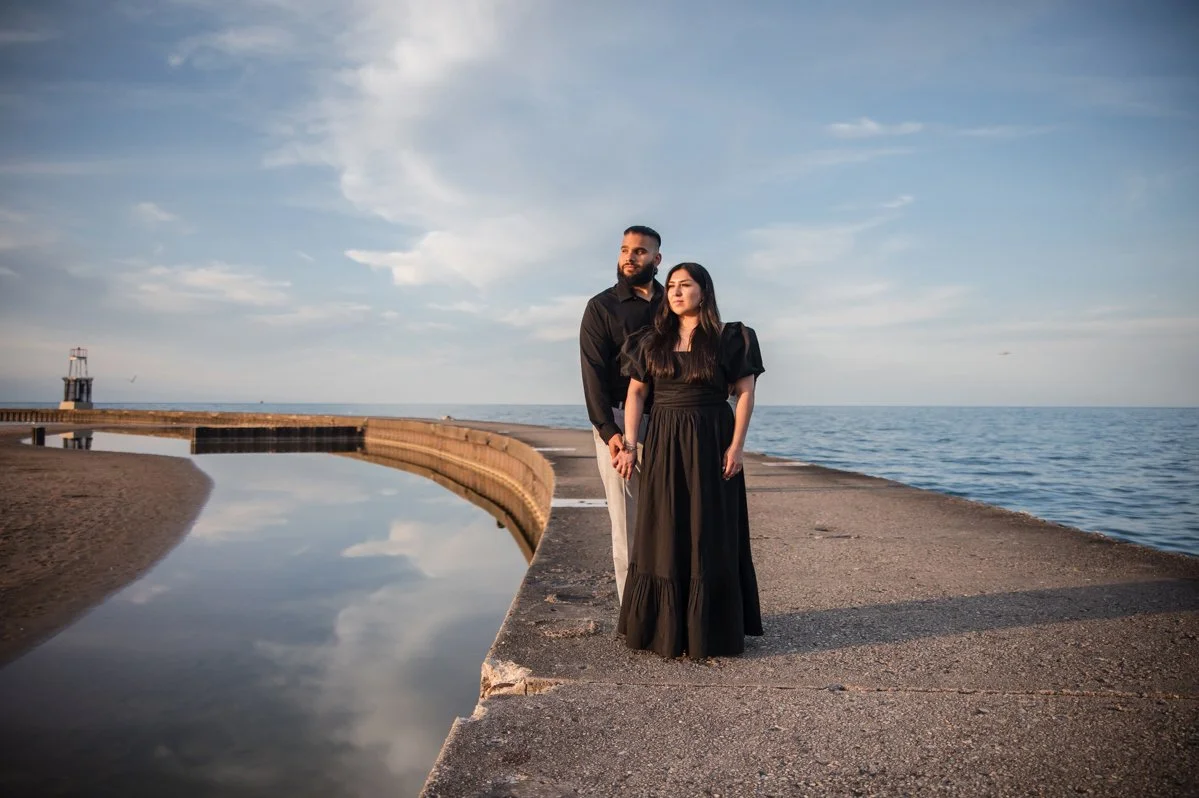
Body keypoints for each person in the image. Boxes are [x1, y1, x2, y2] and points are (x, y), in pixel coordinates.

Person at [613, 262, 764, 659]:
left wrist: (736, 446)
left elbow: (744, 393)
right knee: (664, 527)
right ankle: (662, 627)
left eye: (686, 285)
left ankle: (709, 629)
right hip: (663, 439)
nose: (677, 292)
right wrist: (630, 444)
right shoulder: (650, 340)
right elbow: (637, 395)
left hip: (712, 438)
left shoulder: (732, 337)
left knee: (708, 528)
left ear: (704, 291)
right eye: (673, 286)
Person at [579, 225, 664, 606]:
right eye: (625, 250)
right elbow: (592, 372)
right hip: (618, 422)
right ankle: (633, 611)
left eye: (641, 251)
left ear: (656, 260)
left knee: (672, 519)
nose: (630, 257)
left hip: (673, 422)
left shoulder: (675, 302)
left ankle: (669, 606)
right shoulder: (601, 307)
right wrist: (608, 430)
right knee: (627, 524)